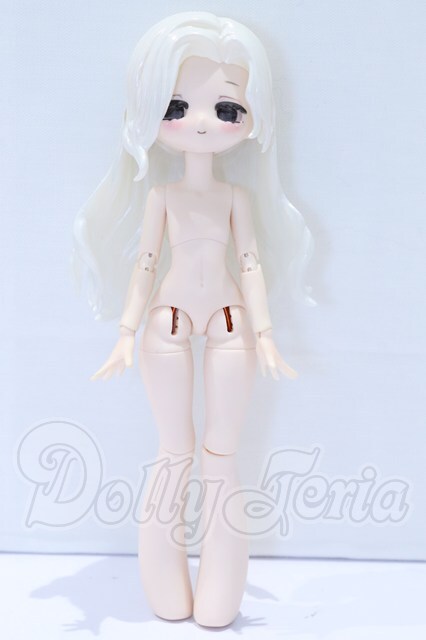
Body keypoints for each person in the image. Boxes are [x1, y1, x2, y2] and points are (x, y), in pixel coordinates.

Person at [72, 11, 314, 627]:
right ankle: (169, 591)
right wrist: (125, 333)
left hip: (232, 320)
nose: (202, 123)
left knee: (220, 455)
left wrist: (266, 334)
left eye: (227, 109)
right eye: (176, 106)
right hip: (168, 320)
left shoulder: (236, 197)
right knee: (175, 450)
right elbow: (145, 264)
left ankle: (218, 597)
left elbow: (251, 263)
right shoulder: (162, 196)